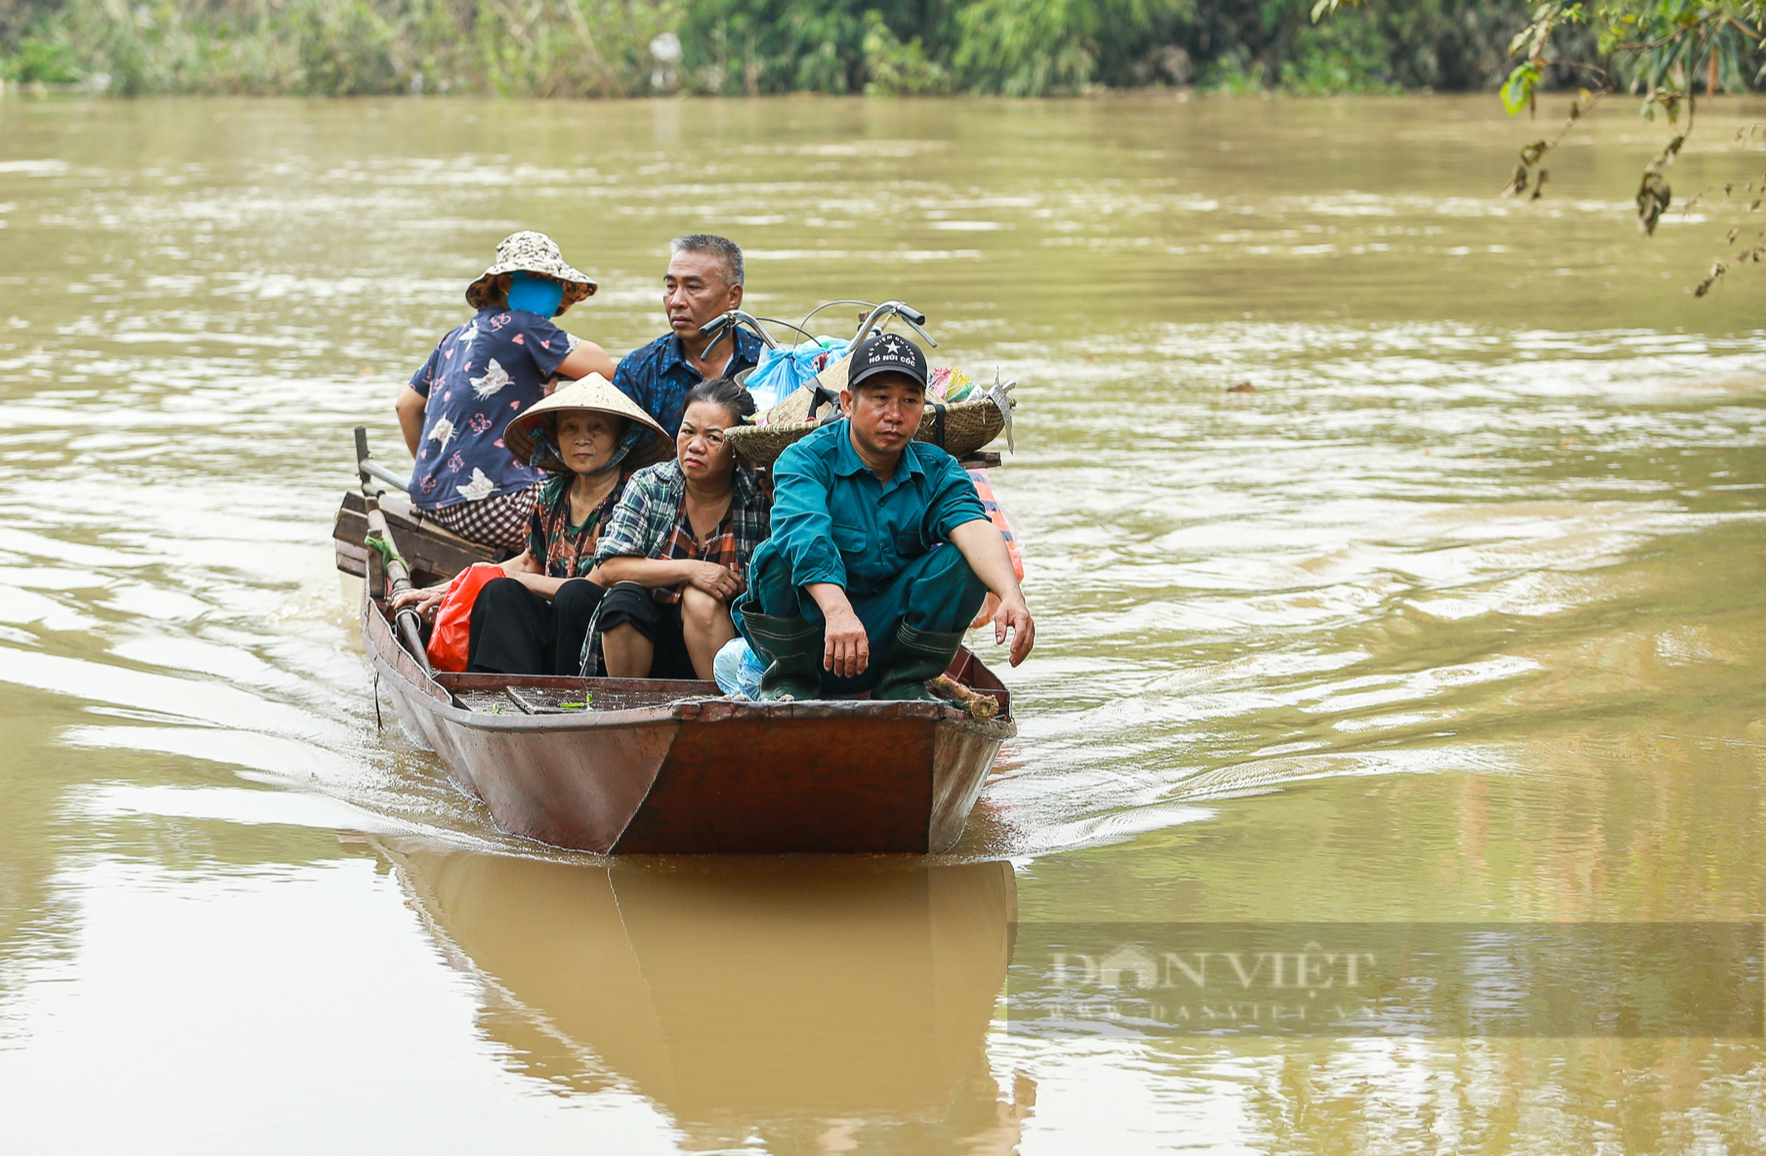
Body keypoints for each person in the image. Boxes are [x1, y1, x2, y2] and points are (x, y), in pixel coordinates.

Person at [735, 334, 1035, 701]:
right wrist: (837, 611)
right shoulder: (806, 459)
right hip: (816, 635)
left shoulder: (938, 470)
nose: (895, 414)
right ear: (847, 402)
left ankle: (904, 683)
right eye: (880, 398)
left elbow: (975, 528)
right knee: (775, 556)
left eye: (909, 400)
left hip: (885, 640)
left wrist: (1011, 596)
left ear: (923, 405)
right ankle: (791, 682)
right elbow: (804, 533)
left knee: (962, 561)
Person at [390, 375, 673, 676]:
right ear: (555, 437)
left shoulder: (633, 493)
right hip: (559, 628)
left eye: (597, 428)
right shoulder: (553, 493)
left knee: (571, 596)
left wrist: (491, 574)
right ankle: (500, 696)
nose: (582, 439)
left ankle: (570, 704)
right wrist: (460, 583)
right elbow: (530, 562)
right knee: (499, 592)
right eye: (570, 428)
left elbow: (597, 583)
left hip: (608, 635)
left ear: (622, 438)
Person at [395, 231, 618, 551]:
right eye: (537, 278)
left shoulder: (453, 338)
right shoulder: (525, 325)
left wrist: (444, 477)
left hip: (431, 500)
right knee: (598, 507)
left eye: (551, 280)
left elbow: (406, 406)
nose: (551, 288)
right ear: (505, 283)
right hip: (496, 504)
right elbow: (606, 368)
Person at [585, 377, 771, 680]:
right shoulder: (650, 484)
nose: (695, 446)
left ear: (737, 448)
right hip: (646, 645)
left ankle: (725, 711)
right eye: (687, 432)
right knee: (623, 601)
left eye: (713, 438)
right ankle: (629, 710)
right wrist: (692, 571)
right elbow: (610, 567)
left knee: (701, 601)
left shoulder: (757, 497)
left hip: (722, 647)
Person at [611, 234, 763, 437]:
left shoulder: (769, 364)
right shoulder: (638, 371)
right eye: (671, 286)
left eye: (692, 287)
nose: (676, 301)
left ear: (733, 296)